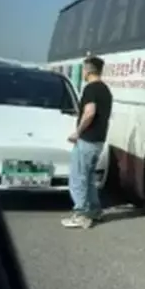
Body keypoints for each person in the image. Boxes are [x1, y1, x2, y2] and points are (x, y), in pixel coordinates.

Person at [64, 56, 112, 229]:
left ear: (89, 70)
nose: (83, 72)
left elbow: (89, 112)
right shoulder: (106, 90)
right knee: (89, 178)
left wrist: (78, 132)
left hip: (87, 139)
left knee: (78, 178)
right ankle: (94, 210)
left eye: (84, 69)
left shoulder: (91, 89)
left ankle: (82, 214)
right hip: (98, 140)